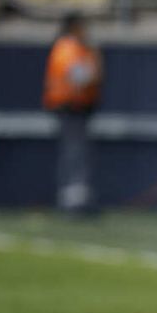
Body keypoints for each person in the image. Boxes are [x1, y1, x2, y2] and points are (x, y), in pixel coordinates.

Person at [43, 13, 102, 214]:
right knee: (75, 153)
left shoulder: (69, 48)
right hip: (71, 107)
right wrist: (94, 65)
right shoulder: (69, 48)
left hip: (74, 107)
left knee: (74, 153)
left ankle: (73, 198)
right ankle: (74, 201)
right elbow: (80, 76)